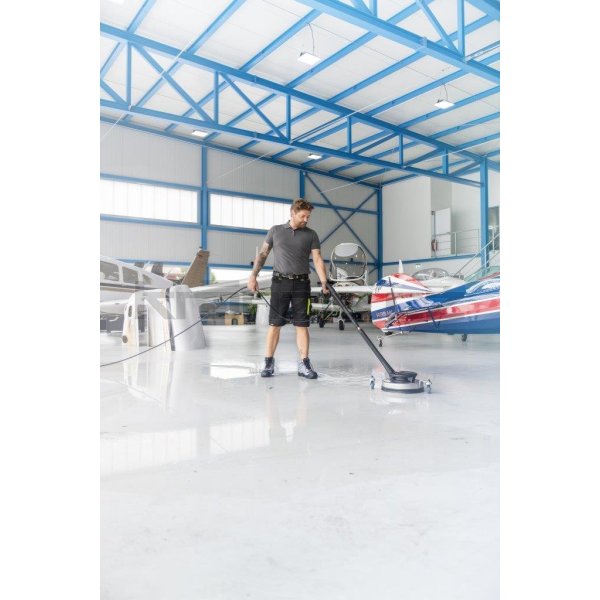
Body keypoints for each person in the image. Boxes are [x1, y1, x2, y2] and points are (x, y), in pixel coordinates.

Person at [248, 199, 329, 379]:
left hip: (302, 284)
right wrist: (253, 275)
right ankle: (268, 363)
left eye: (308, 216)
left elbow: (317, 258)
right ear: (292, 213)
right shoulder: (275, 231)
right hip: (280, 283)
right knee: (275, 324)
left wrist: (324, 281)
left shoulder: (311, 235)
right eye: (303, 216)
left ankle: (304, 364)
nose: (306, 220)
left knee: (302, 325)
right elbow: (263, 254)